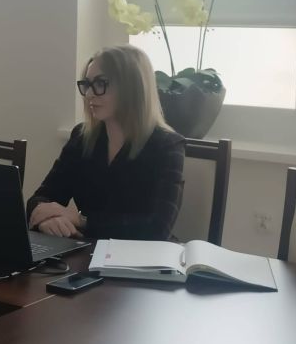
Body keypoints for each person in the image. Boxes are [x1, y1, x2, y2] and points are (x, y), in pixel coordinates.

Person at [27, 45, 185, 241]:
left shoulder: (168, 146)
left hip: (142, 257)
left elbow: (157, 228)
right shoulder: (82, 138)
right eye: (87, 84)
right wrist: (47, 220)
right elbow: (40, 199)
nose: (89, 94)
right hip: (87, 249)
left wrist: (81, 220)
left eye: (100, 83)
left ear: (131, 89)